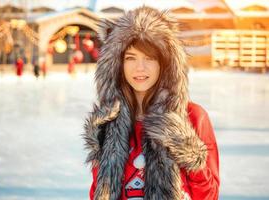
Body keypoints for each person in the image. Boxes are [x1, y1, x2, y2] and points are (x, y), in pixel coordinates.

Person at [83, 6, 219, 200]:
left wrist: (186, 149)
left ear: (164, 62)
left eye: (149, 58)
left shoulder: (192, 117)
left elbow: (209, 195)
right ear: (118, 65)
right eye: (131, 58)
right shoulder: (108, 123)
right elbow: (99, 194)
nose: (140, 67)